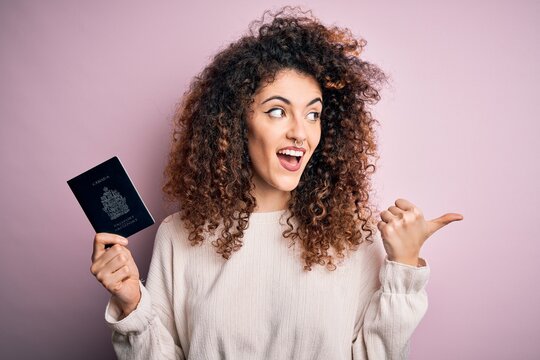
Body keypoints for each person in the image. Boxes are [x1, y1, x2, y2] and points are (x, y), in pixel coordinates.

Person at [90, 6, 463, 359]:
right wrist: (131, 304)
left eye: (313, 113)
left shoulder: (352, 237)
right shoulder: (180, 236)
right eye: (277, 111)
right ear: (236, 123)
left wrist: (405, 265)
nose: (301, 132)